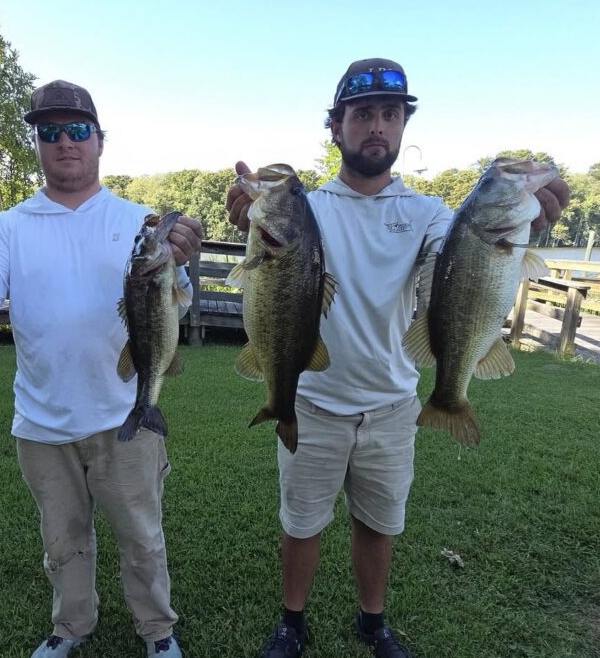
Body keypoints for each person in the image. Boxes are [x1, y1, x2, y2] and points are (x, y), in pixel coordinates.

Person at [225, 59, 569, 658]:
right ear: (336, 127)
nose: (377, 126)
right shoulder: (310, 208)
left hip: (392, 407)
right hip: (314, 401)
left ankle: (373, 622)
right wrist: (248, 211)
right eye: (362, 114)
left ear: (404, 125)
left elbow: (461, 262)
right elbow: (271, 262)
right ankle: (291, 622)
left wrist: (526, 224)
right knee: (301, 523)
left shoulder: (430, 213)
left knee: (378, 525)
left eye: (390, 113)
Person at [0, 80, 202, 658]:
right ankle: (70, 626)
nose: (64, 142)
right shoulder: (10, 226)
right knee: (62, 542)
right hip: (42, 423)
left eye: (77, 130)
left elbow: (172, 304)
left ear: (100, 140)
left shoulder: (138, 220)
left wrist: (179, 264)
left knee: (142, 537)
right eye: (49, 132)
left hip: (122, 414)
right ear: (37, 143)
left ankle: (158, 631)